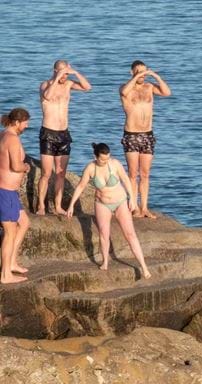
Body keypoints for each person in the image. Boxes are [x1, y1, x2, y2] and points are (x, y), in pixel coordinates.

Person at [66, 143, 151, 279]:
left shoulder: (115, 164)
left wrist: (132, 199)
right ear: (95, 156)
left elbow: (126, 180)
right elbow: (81, 186)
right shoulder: (90, 168)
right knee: (104, 234)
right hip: (102, 203)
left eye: (107, 158)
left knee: (130, 234)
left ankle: (144, 267)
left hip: (120, 202)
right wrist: (71, 205)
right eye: (102, 159)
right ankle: (105, 262)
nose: (105, 161)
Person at [37, 60, 91, 215]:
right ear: (54, 70)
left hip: (63, 133)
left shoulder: (68, 84)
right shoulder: (45, 85)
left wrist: (75, 73)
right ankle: (41, 205)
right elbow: (47, 96)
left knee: (61, 173)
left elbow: (87, 87)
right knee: (46, 173)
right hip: (48, 132)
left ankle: (58, 206)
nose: (64, 76)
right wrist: (57, 77)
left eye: (66, 73)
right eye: (62, 72)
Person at [119, 60, 171, 219]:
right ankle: (133, 207)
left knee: (145, 174)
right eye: (138, 71)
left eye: (143, 71)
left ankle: (144, 208)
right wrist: (137, 77)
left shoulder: (149, 88)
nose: (141, 75)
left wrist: (155, 76)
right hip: (132, 135)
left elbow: (167, 92)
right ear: (132, 72)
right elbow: (124, 92)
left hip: (147, 134)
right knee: (133, 174)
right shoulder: (126, 88)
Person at [1, 108, 32, 284]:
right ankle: (5, 275)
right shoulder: (12, 139)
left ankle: (12, 263)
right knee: (9, 232)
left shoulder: (4, 134)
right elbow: (16, 166)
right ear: (17, 122)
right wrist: (26, 167)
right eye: (25, 122)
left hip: (9, 192)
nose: (27, 126)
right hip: (5, 192)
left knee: (25, 223)